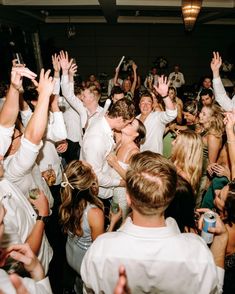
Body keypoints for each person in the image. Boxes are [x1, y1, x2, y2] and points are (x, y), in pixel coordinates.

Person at [81, 151, 227, 293]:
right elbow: (215, 289)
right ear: (170, 198)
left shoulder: (101, 249)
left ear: (128, 198)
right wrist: (221, 240)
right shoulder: (196, 251)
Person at [80, 98, 135, 220]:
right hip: (97, 194)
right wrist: (121, 183)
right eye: (127, 123)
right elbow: (95, 176)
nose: (127, 126)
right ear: (120, 119)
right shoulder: (97, 139)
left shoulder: (103, 120)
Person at [0, 203, 52, 293]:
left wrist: (36, 270)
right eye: (1, 222)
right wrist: (43, 214)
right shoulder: (10, 287)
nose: (6, 210)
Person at [107, 118, 146, 219]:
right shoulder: (120, 142)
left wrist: (115, 164)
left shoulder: (134, 152)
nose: (127, 123)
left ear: (136, 134)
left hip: (122, 197)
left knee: (119, 225)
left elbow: (134, 180)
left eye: (131, 124)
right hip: (110, 191)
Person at [136, 76, 177, 154]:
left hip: (154, 160)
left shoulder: (157, 117)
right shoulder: (135, 120)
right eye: (143, 102)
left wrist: (165, 95)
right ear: (139, 105)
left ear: (152, 105)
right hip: (139, 159)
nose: (145, 105)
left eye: (149, 103)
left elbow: (171, 114)